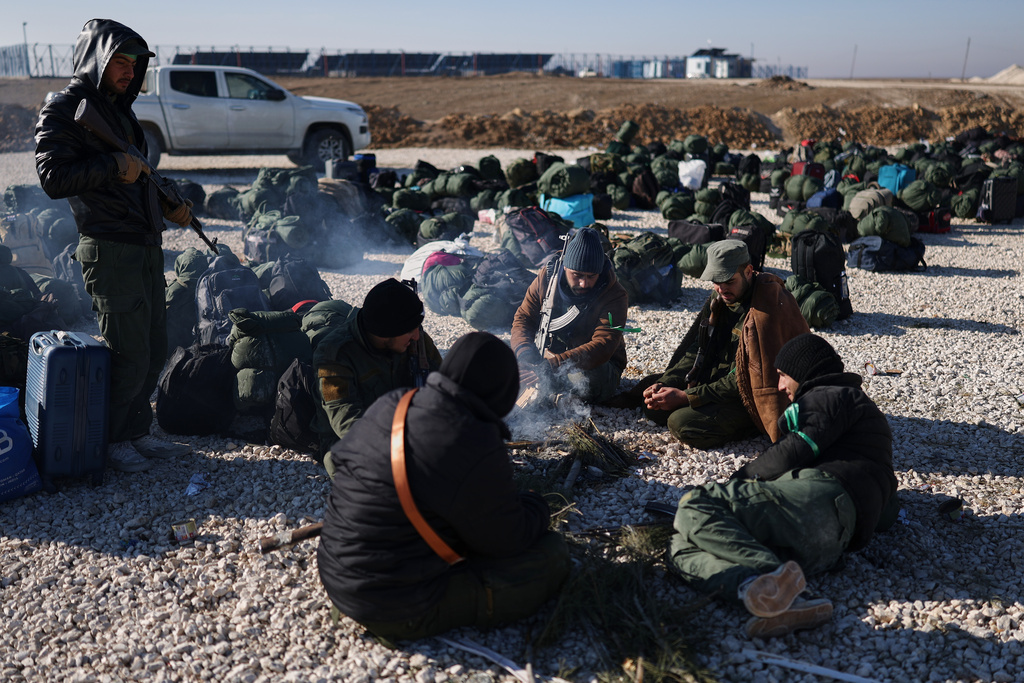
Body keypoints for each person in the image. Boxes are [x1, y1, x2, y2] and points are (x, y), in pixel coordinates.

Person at [318, 331, 569, 640]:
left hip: (334, 573)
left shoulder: (396, 402)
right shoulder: (475, 438)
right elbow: (507, 541)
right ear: (501, 391)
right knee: (552, 554)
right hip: (391, 605)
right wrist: (537, 506)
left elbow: (341, 460)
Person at [35, 19, 193, 473]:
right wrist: (110, 165)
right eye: (119, 61)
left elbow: (138, 175)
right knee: (128, 352)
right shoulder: (64, 108)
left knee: (155, 346)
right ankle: (113, 441)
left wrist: (171, 206)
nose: (128, 72)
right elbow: (53, 178)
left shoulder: (119, 112)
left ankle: (137, 431)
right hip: (108, 247)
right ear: (96, 60)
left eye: (135, 64)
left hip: (143, 243)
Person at [667, 333, 898, 638]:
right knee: (679, 548)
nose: (779, 387)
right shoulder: (862, 428)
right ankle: (771, 595)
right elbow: (887, 512)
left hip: (820, 502)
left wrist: (736, 482)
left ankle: (769, 575)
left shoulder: (833, 394)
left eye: (782, 376)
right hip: (825, 547)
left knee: (698, 504)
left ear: (803, 373)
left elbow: (794, 450)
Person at [642, 240, 808, 448]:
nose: (721, 289)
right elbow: (697, 348)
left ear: (748, 272)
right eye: (716, 282)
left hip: (749, 395)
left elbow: (746, 379)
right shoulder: (720, 299)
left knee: (681, 423)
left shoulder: (766, 310)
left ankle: (751, 426)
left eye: (729, 281)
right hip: (716, 382)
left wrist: (686, 397)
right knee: (652, 404)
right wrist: (666, 382)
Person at [312, 278, 441, 472]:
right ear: (385, 333)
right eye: (409, 331)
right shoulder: (334, 355)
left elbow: (446, 384)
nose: (417, 336)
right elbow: (346, 420)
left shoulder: (416, 341)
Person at [510, 226, 628, 404]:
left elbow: (603, 346)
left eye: (591, 276)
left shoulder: (614, 295)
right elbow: (523, 318)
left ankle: (549, 394)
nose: (583, 283)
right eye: (577, 275)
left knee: (589, 378)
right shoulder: (547, 279)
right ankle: (551, 392)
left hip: (594, 365)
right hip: (550, 358)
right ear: (565, 268)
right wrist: (525, 356)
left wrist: (550, 368)